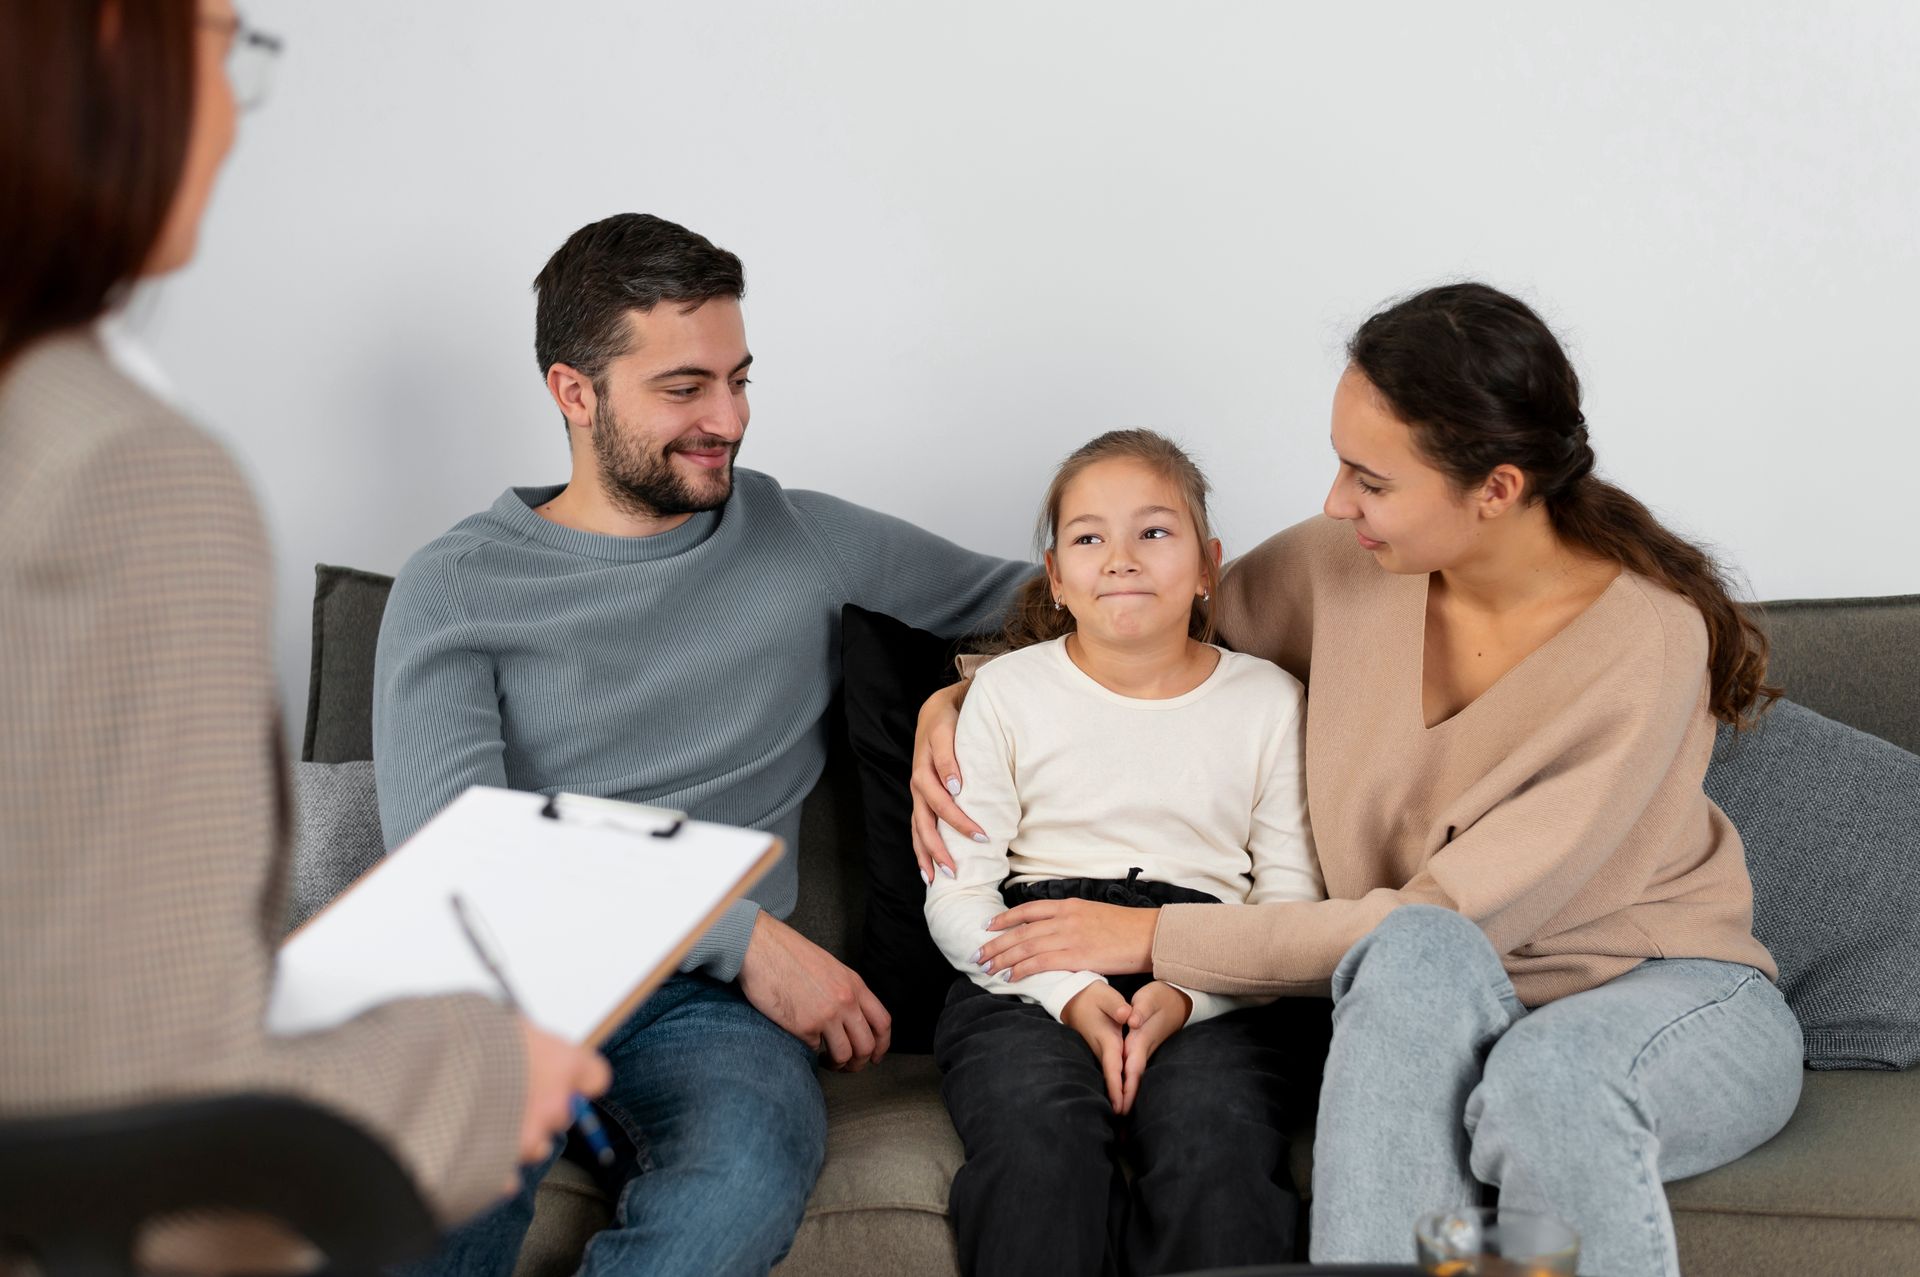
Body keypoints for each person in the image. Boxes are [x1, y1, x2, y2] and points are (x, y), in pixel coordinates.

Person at [910, 284, 1804, 1277]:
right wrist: (959, 698)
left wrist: (1154, 936)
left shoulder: (1645, 644)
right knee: (1408, 964)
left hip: (1652, 989)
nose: (1336, 501)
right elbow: (1146, 628)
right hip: (1424, 983)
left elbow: (1454, 915)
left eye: (1369, 479)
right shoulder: (1343, 565)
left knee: (1538, 1076)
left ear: (1496, 488)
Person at [0, 0, 607, 1261]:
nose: (234, 105)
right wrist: (484, 1074)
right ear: (111, 43)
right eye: (225, 41)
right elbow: (153, 1104)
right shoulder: (124, 476)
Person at [373, 212, 1034, 1276]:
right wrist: (745, 937)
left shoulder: (802, 538)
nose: (728, 419)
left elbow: (1077, 600)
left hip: (703, 1015)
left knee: (745, 1171)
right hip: (502, 983)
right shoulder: (453, 585)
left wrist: (961, 689)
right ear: (574, 391)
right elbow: (463, 859)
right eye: (685, 388)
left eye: (739, 379)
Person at [923, 430, 1327, 1276]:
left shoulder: (1269, 700)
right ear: (1055, 576)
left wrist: (1186, 995)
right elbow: (958, 894)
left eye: (1153, 531)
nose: (1121, 558)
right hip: (1032, 962)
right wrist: (1070, 994)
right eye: (1088, 537)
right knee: (1039, 1138)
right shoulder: (1004, 694)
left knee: (1215, 1140)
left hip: (1216, 963)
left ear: (1209, 566)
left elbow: (1289, 910)